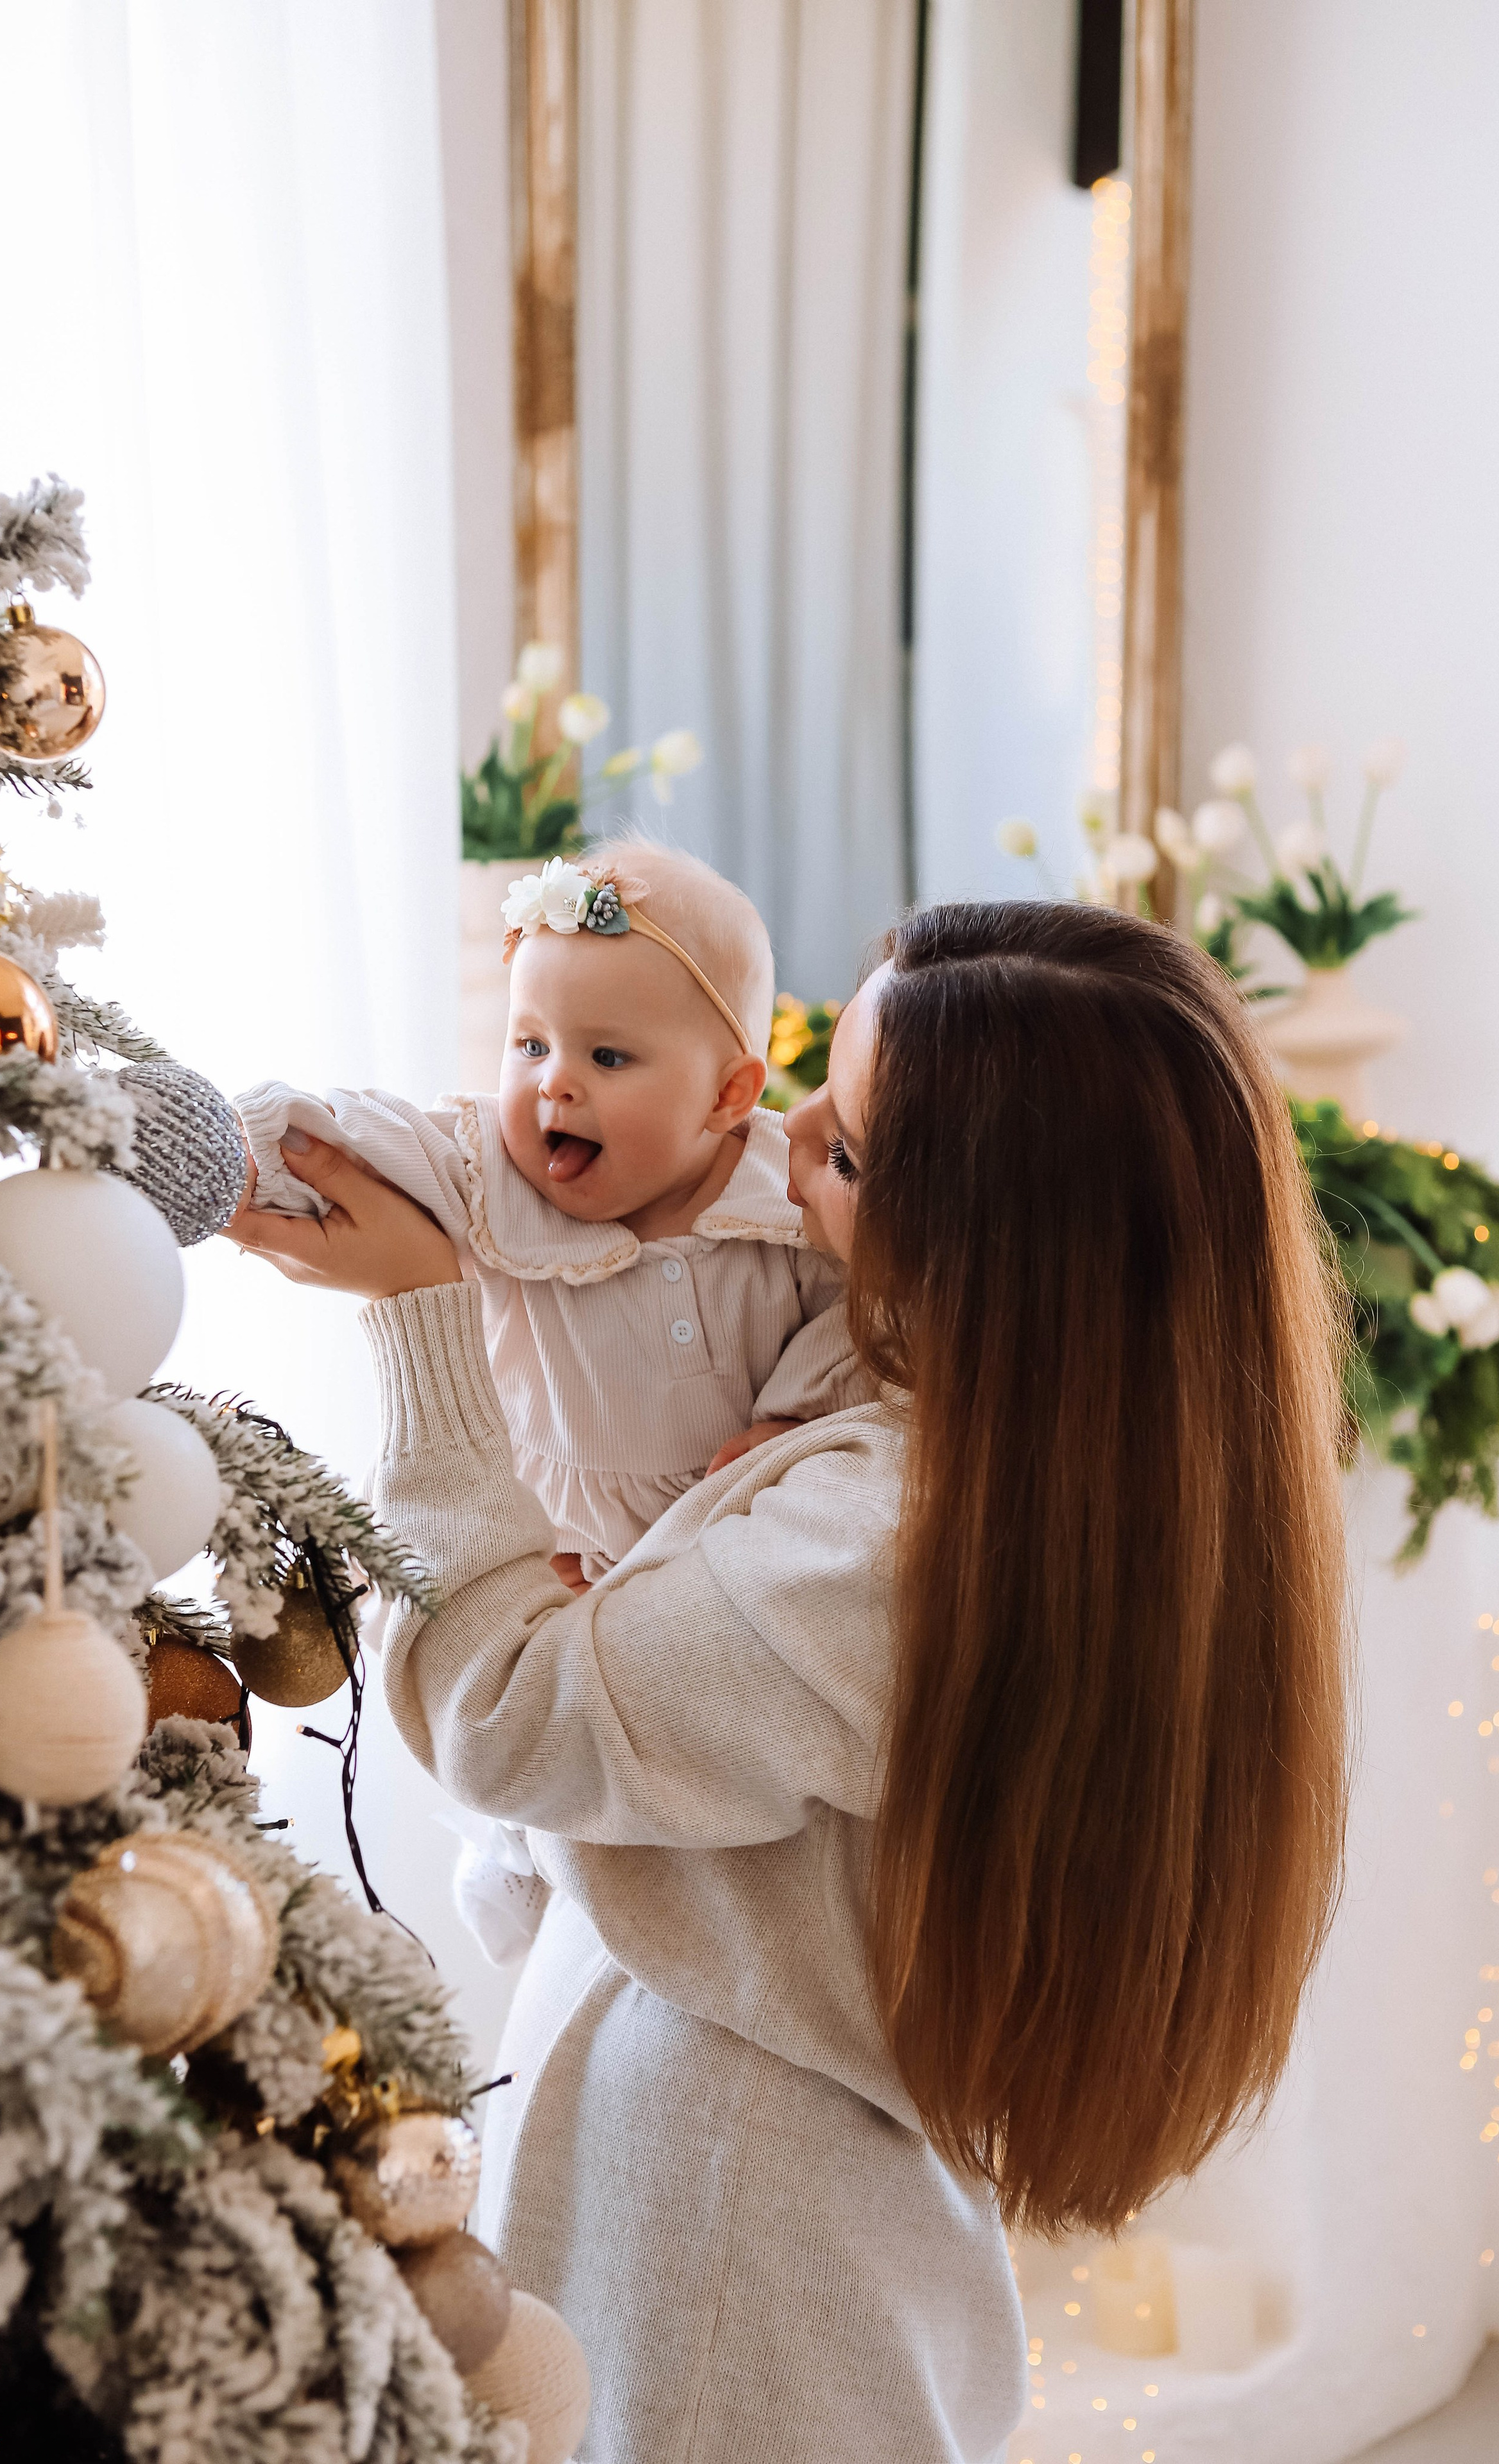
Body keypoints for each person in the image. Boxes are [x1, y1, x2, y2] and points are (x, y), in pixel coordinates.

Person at [228, 898, 1351, 2464]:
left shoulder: (893, 1537)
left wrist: (428, 1323)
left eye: (847, 1149)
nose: (786, 1131)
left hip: (728, 2230)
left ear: (990, 1251)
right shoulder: (1053, 1470)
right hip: (722, 2181)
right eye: (822, 1075)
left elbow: (509, 1713)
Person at [232, 838, 867, 1960]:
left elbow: (868, 1317)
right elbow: (383, 1140)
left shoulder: (788, 1198)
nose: (551, 1083)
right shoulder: (491, 1176)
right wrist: (257, 1141)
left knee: (675, 1789)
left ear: (730, 1094)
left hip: (713, 1564)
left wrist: (795, 1412)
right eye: (529, 1041)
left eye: (607, 1055)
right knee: (533, 1787)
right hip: (552, 1549)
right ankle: (516, 1865)